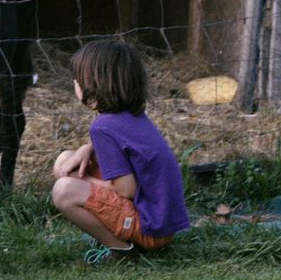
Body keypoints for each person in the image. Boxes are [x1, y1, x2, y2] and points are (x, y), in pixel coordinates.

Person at [51, 38, 189, 264]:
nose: (75, 82)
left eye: (78, 78)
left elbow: (126, 190)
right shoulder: (131, 117)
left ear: (94, 83)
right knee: (66, 160)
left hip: (150, 229)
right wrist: (88, 148)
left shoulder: (103, 126)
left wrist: (81, 181)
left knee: (64, 189)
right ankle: (119, 236)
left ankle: (122, 250)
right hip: (160, 221)